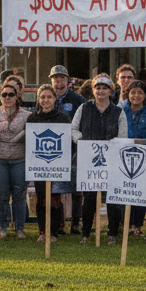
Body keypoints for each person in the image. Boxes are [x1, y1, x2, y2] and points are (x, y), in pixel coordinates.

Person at [71, 74, 127, 243]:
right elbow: (73, 129)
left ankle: (112, 234)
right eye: (98, 88)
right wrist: (81, 141)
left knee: (112, 198)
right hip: (88, 160)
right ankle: (86, 234)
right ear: (93, 90)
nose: (101, 91)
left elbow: (123, 135)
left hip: (112, 161)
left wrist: (113, 145)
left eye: (104, 88)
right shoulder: (84, 108)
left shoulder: (119, 111)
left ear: (111, 91)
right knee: (89, 198)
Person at [26, 84, 72, 242]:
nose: (45, 100)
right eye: (42, 97)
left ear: (54, 99)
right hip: (38, 164)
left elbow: (67, 143)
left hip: (57, 163)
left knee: (55, 200)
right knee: (41, 198)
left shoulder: (63, 118)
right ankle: (43, 231)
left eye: (49, 97)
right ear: (38, 99)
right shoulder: (32, 118)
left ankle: (54, 231)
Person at [0, 83, 30, 239]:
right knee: (3, 195)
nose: (7, 97)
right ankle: (3, 229)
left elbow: (30, 134)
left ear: (17, 96)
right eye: (4, 94)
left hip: (19, 159)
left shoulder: (26, 115)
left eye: (11, 94)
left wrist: (20, 135)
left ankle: (19, 229)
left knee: (19, 194)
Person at [49, 65, 85, 233]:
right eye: (56, 79)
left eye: (62, 79)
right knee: (56, 189)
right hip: (53, 149)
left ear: (68, 81)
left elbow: (85, 121)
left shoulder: (78, 99)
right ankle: (59, 224)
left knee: (77, 189)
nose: (59, 83)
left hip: (74, 148)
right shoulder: (46, 97)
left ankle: (76, 224)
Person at [121, 80, 146, 236]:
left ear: (145, 95)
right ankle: (125, 225)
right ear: (128, 94)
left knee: (141, 193)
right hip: (122, 158)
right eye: (133, 92)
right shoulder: (120, 111)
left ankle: (137, 226)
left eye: (139, 93)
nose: (136, 95)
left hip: (144, 159)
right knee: (124, 192)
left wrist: (141, 142)